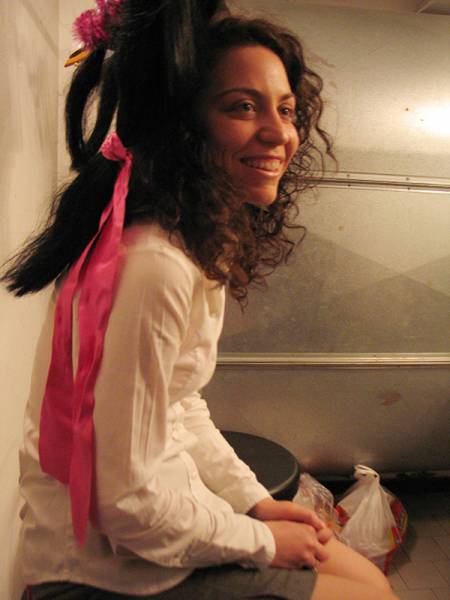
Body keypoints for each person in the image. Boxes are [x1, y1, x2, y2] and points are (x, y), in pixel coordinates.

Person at [1, 1, 399, 598]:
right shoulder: (154, 263)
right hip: (106, 570)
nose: (280, 133)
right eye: (243, 106)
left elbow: (180, 405)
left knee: (362, 574)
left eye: (286, 109)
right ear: (185, 125)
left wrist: (254, 502)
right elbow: (127, 503)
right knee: (368, 593)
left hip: (146, 528)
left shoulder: (186, 239)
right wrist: (261, 541)